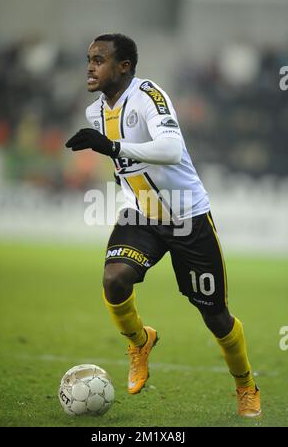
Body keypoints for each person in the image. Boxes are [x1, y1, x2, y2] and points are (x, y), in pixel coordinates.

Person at [66, 33, 261, 418]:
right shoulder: (95, 114)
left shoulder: (149, 95)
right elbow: (127, 172)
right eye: (88, 58)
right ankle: (139, 342)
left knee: (216, 317)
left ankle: (245, 385)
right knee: (114, 279)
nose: (90, 66)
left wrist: (115, 147)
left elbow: (171, 150)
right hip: (141, 215)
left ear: (123, 67)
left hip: (188, 219)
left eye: (99, 59)